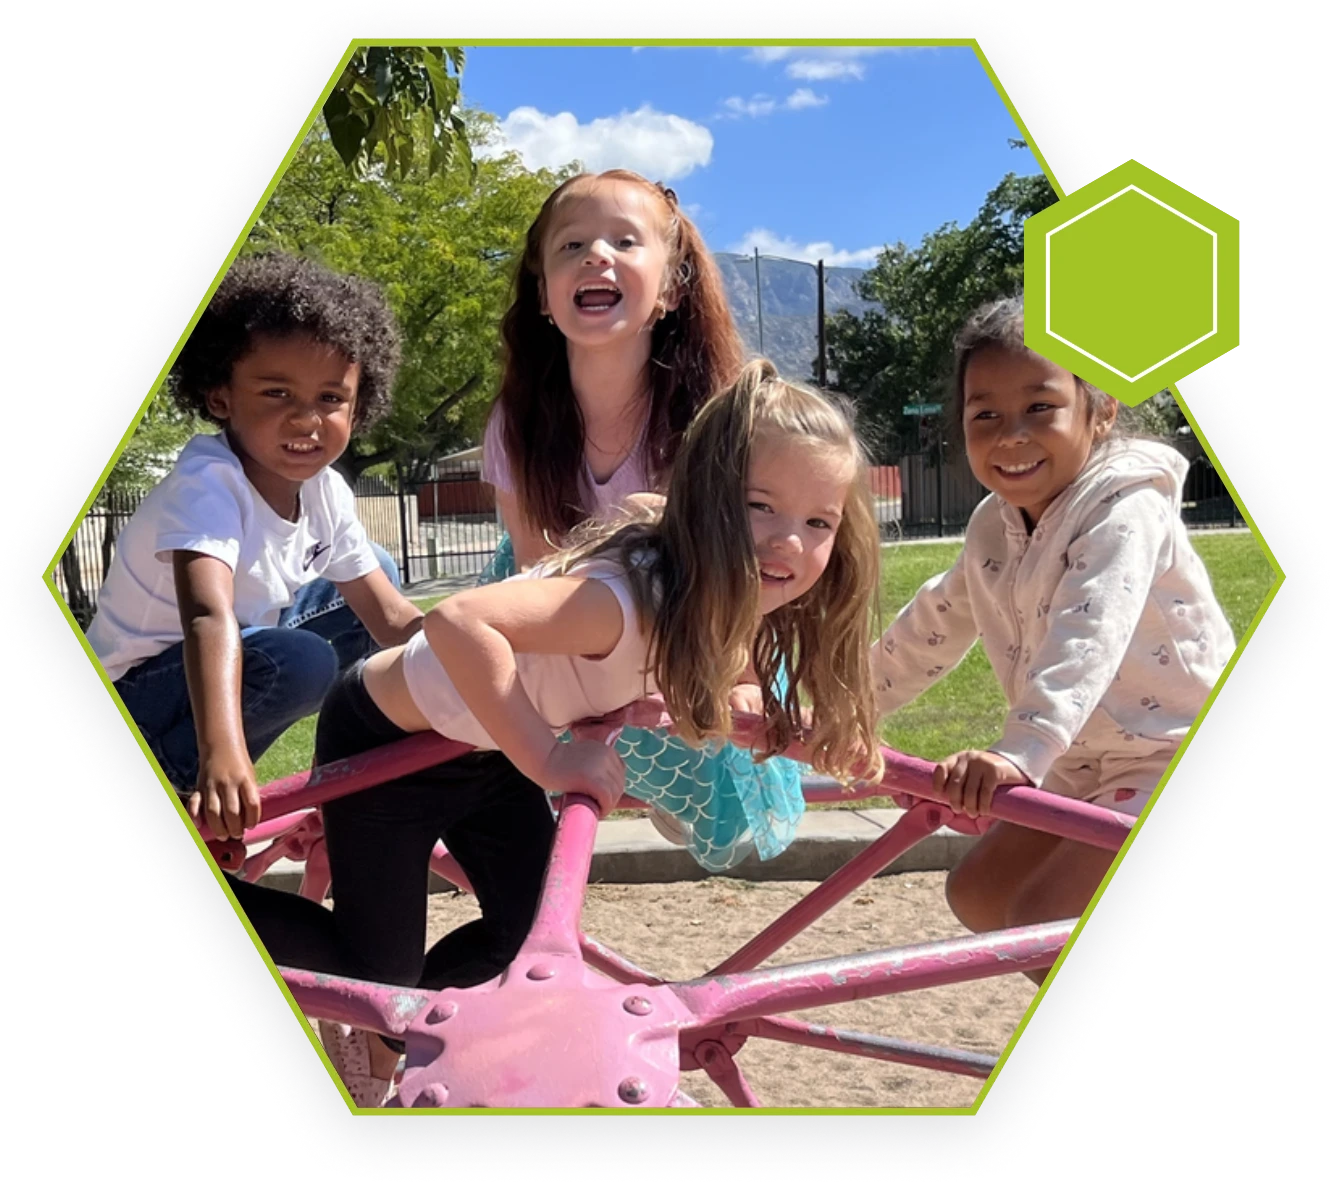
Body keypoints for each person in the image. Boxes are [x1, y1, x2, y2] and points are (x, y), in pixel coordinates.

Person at [228, 359, 885, 1105]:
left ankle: (390, 1033)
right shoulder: (620, 604)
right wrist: (546, 755)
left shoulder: (716, 592)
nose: (789, 544)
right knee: (378, 966)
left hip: (494, 747)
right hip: (395, 745)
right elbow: (459, 621)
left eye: (818, 522)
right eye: (760, 506)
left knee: (530, 940)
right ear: (702, 503)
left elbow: (725, 672)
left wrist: (804, 728)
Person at [870, 296, 1235, 982]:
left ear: (1100, 411)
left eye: (1041, 408)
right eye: (986, 415)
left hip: (1178, 759)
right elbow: (937, 619)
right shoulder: (993, 524)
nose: (1012, 435)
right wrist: (849, 707)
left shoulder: (1126, 512)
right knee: (979, 895)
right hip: (1084, 766)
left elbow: (1088, 631)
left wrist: (1021, 751)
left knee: (1042, 919)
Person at [475, 167, 807, 871]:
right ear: (543, 295)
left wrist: (742, 674)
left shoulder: (711, 415)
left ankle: (675, 792)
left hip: (694, 612)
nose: (596, 255)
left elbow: (734, 566)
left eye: (625, 241)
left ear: (672, 289)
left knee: (725, 797)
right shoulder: (517, 423)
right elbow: (540, 567)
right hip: (570, 608)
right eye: (571, 247)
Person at [87, 252, 425, 841]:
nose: (306, 420)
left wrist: (483, 661)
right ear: (221, 397)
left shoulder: (324, 490)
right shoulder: (208, 484)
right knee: (301, 660)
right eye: (276, 393)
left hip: (227, 660)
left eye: (330, 398)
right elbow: (207, 617)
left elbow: (391, 618)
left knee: (380, 574)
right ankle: (179, 782)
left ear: (358, 402)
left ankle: (361, 746)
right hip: (129, 704)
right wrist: (224, 752)